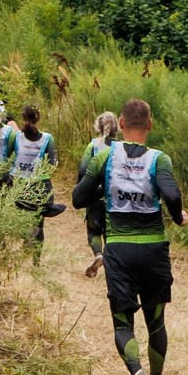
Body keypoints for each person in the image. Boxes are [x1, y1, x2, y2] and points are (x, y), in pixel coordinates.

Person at [70, 98, 185, 375]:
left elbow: (78, 198)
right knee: (156, 322)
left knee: (123, 324)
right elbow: (172, 194)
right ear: (149, 124)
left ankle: (137, 371)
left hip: (119, 249)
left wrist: (106, 187)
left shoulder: (106, 156)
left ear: (121, 124)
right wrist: (177, 216)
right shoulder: (160, 159)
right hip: (153, 249)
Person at [2, 104, 62, 246]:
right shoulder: (48, 138)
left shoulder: (16, 137)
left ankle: (26, 236)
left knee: (22, 217)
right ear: (38, 118)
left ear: (22, 118)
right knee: (38, 222)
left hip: (19, 184)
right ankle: (36, 262)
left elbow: (8, 158)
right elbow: (53, 163)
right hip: (40, 185)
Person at [78, 111, 118, 279]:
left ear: (98, 127)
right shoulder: (122, 147)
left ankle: (98, 254)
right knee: (110, 232)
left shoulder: (93, 146)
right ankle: (110, 263)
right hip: (115, 198)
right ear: (117, 127)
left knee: (93, 230)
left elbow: (82, 172)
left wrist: (82, 191)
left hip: (95, 196)